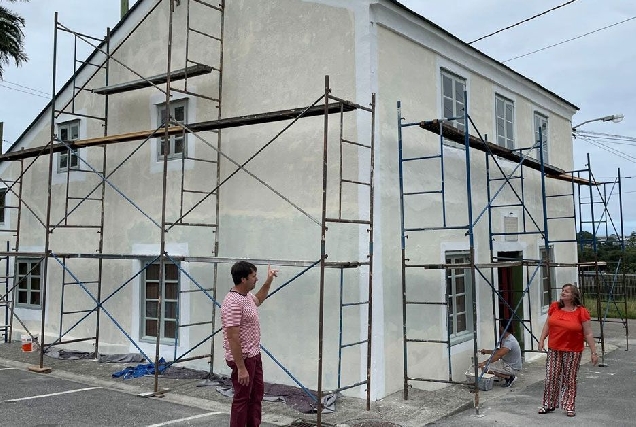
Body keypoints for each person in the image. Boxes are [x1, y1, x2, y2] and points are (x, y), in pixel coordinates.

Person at [221, 261, 278, 427]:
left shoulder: (246, 297)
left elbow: (259, 299)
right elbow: (232, 337)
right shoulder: (233, 302)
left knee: (256, 397)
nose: (256, 279)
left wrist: (269, 280)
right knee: (242, 399)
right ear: (243, 279)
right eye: (253, 276)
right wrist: (241, 368)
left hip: (254, 355)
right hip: (243, 358)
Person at [537, 283, 598, 417]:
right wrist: (542, 339)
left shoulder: (581, 312)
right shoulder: (554, 307)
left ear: (573, 296)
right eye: (563, 291)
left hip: (573, 350)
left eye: (567, 292)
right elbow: (548, 324)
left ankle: (569, 406)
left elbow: (588, 333)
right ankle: (548, 404)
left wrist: (594, 352)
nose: (563, 293)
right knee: (551, 377)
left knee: (569, 378)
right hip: (554, 348)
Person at [478, 319, 522, 387]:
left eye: (500, 326)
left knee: (485, 368)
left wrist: (484, 363)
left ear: (502, 328)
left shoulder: (509, 341)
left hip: (511, 367)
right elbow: (499, 351)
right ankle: (503, 376)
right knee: (490, 366)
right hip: (507, 363)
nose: (499, 328)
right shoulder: (506, 338)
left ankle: (509, 378)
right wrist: (486, 351)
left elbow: (498, 355)